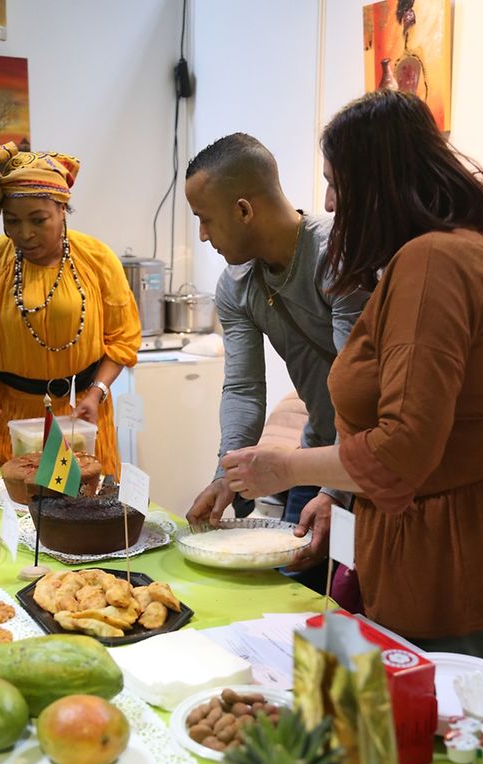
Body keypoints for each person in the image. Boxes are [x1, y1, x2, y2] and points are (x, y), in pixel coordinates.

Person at [223, 91, 483, 666]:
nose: (328, 201)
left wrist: (286, 468)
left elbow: (402, 445)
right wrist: (340, 493)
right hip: (424, 553)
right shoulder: (442, 254)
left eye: (336, 183)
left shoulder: (434, 263)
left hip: (452, 571)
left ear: (377, 184)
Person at [184, 133, 367, 590]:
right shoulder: (235, 285)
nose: (202, 235)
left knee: (348, 615)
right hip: (318, 449)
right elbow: (244, 388)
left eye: (205, 220)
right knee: (284, 596)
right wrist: (227, 474)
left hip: (370, 461)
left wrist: (334, 491)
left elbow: (359, 390)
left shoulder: (338, 256)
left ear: (244, 210)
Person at [0, 142, 141, 475]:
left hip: (82, 417)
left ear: (62, 209)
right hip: (9, 422)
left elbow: (123, 340)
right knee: (13, 513)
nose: (24, 234)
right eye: (12, 221)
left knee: (84, 515)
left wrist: (96, 393)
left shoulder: (97, 260)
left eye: (38, 220)